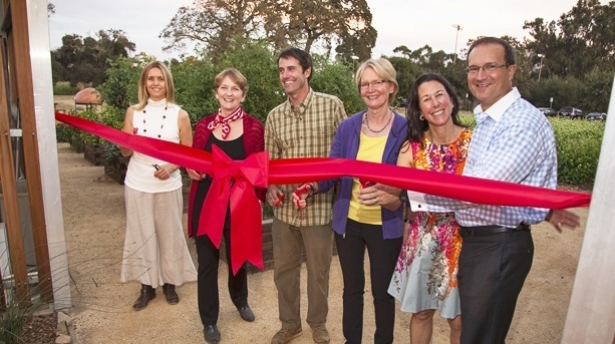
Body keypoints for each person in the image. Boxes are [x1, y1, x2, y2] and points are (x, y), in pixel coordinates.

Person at [405, 37, 580, 344]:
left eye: (490, 66)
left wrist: (404, 186)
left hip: (498, 245)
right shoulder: (486, 121)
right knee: (475, 332)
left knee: (479, 337)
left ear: (511, 70)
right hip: (478, 243)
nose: (480, 75)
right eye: (473, 68)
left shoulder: (520, 122)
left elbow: (478, 188)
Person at [294, 57, 407, 344]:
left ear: (390, 86)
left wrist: (394, 195)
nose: (370, 89)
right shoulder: (348, 127)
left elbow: (413, 183)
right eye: (364, 84)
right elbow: (333, 169)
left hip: (386, 225)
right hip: (350, 224)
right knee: (352, 291)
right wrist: (311, 187)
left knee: (383, 293)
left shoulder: (406, 129)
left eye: (377, 82)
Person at [265, 47, 347, 344]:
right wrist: (270, 187)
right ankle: (290, 324)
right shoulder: (274, 116)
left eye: (291, 69)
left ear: (307, 71)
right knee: (284, 272)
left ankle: (318, 323)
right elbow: (269, 164)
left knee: (319, 272)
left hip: (320, 208)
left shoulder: (332, 106)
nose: (285, 75)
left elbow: (344, 157)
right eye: (281, 70)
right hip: (284, 211)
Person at [387, 73, 469, 344]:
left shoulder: (476, 143)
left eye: (439, 95)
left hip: (466, 241)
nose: (435, 103)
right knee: (421, 312)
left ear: (451, 99)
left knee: (459, 319)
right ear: (419, 110)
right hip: (424, 239)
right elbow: (397, 195)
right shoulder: (411, 149)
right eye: (426, 99)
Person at [186, 68, 265, 344]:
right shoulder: (202, 126)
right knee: (207, 263)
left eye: (235, 89)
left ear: (243, 95)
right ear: (216, 92)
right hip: (207, 203)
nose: (229, 93)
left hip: (239, 203)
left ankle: (240, 300)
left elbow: (259, 168)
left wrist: (260, 197)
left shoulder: (255, 127)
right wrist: (191, 169)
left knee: (237, 257)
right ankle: (209, 321)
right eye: (224, 88)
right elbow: (194, 162)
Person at [119, 61, 197, 311]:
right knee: (142, 235)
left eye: (160, 79)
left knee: (170, 234)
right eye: (151, 78)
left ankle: (170, 283)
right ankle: (146, 286)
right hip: (138, 183)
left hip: (168, 184)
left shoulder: (179, 114)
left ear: (168, 83)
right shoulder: (133, 111)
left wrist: (171, 167)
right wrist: (127, 138)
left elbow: (188, 152)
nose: (155, 83)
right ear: (144, 83)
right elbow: (123, 151)